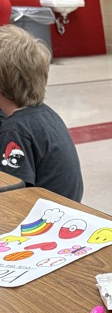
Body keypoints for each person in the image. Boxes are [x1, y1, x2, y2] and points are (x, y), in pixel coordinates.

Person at [0, 25, 83, 200]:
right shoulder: (44, 114)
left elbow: (10, 195)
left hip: (44, 213)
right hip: (66, 208)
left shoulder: (16, 130)